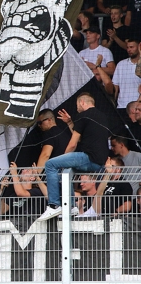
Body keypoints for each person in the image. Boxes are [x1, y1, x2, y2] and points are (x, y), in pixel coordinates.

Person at [38, 93, 110, 222]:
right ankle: (71, 206)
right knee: (63, 171)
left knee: (50, 164)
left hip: (88, 157)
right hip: (100, 162)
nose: (77, 109)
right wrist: (70, 122)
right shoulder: (103, 117)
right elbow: (84, 137)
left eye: (77, 106)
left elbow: (73, 143)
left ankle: (54, 205)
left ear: (82, 102)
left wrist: (64, 157)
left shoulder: (83, 116)